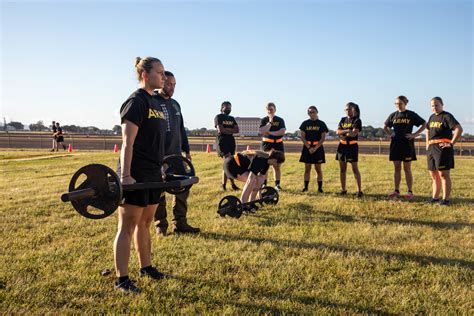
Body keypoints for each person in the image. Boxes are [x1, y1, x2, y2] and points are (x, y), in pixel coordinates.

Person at [114, 56, 167, 294]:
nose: (164, 77)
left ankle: (146, 267)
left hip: (153, 172)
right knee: (127, 226)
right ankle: (121, 279)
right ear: (145, 74)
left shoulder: (155, 101)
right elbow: (127, 142)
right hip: (135, 172)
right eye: (160, 73)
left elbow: (156, 140)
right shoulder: (135, 101)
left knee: (145, 222)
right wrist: (125, 177)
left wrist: (161, 167)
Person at [153, 71, 200, 236]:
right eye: (168, 84)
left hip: (177, 155)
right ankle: (160, 224)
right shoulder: (152, 101)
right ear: (161, 82)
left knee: (183, 186)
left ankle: (180, 222)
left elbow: (181, 129)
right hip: (159, 155)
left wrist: (187, 151)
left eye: (174, 85)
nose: (172, 87)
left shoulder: (175, 105)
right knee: (159, 189)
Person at [383, 96, 426, 199]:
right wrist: (390, 134)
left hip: (407, 144)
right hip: (395, 144)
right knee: (397, 167)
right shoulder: (393, 115)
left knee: (407, 168)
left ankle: (410, 192)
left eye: (400, 103)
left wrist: (414, 134)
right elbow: (385, 126)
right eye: (396, 103)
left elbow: (424, 124)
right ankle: (396, 190)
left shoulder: (410, 114)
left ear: (405, 103)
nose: (398, 105)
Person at [425, 96, 463, 206]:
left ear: (442, 105)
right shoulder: (431, 117)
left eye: (437, 105)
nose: (435, 107)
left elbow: (458, 129)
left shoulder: (447, 116)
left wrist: (451, 143)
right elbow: (427, 129)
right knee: (433, 175)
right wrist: (427, 143)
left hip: (442, 148)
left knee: (443, 175)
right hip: (431, 148)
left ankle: (446, 200)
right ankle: (435, 198)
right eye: (432, 105)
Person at [336, 102, 363, 197]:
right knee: (342, 169)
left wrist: (345, 132)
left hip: (352, 146)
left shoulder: (357, 120)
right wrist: (347, 130)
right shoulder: (343, 119)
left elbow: (353, 134)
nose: (348, 111)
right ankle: (343, 190)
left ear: (354, 110)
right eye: (346, 109)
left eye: (350, 109)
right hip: (342, 146)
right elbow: (337, 131)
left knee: (355, 169)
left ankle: (359, 191)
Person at [299, 106, 328, 193]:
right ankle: (305, 187)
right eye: (310, 112)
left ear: (317, 112)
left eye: (314, 112)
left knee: (318, 169)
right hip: (307, 148)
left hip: (318, 148)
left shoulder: (321, 124)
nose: (312, 114)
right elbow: (302, 137)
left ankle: (320, 188)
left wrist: (315, 148)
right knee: (307, 169)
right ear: (308, 114)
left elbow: (323, 138)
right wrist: (309, 147)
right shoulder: (305, 123)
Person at [259, 102, 286, 191]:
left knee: (277, 165)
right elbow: (262, 131)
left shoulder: (280, 120)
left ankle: (277, 185)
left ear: (275, 109)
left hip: (278, 144)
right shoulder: (264, 120)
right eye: (268, 109)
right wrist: (270, 122)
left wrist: (269, 132)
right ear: (266, 110)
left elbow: (281, 132)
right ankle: (264, 184)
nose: (270, 111)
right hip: (267, 145)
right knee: (264, 165)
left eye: (271, 109)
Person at [214, 101, 240, 191]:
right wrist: (231, 130)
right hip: (222, 141)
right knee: (228, 161)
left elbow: (237, 130)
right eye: (226, 107)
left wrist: (226, 129)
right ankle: (231, 185)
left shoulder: (232, 118)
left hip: (231, 141)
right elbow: (220, 130)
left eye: (230, 107)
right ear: (221, 108)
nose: (228, 109)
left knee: (228, 163)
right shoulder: (218, 117)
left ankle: (224, 185)